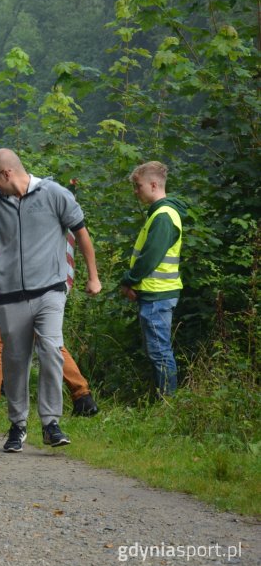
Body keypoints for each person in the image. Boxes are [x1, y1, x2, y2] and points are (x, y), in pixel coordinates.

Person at [0, 149, 101, 453]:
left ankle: (51, 423)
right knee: (15, 361)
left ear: (6, 174)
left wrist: (93, 277)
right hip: (10, 295)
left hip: (50, 290)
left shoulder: (54, 194)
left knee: (51, 349)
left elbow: (81, 234)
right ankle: (18, 425)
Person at [120, 161, 186, 396]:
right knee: (158, 351)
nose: (135, 192)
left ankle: (168, 403)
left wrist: (129, 279)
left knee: (160, 352)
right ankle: (165, 399)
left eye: (138, 186)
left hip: (158, 295)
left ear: (154, 184)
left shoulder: (164, 216)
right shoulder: (161, 213)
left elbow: (150, 257)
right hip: (155, 293)